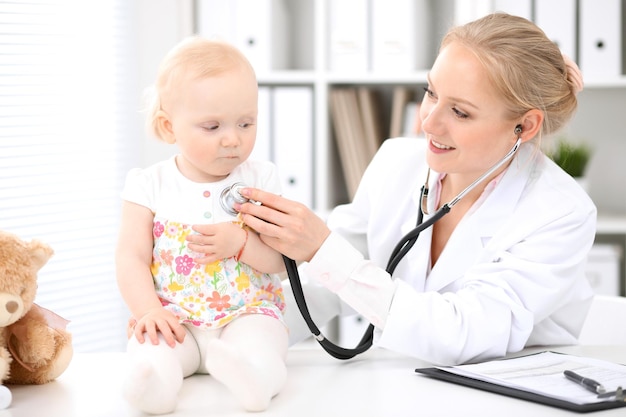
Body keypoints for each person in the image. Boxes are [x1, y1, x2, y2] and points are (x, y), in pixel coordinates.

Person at [229, 13, 596, 366]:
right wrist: (234, 333)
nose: (428, 122)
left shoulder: (561, 211)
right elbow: (322, 288)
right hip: (403, 386)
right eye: (431, 93)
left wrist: (322, 249)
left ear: (525, 125)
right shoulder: (396, 162)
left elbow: (463, 335)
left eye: (461, 112)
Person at [115, 37, 287, 414]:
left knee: (262, 342)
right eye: (212, 126)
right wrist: (149, 312)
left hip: (247, 313)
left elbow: (282, 262)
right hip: (177, 318)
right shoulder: (149, 185)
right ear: (168, 125)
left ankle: (255, 378)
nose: (233, 138)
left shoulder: (261, 179)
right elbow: (131, 256)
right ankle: (152, 387)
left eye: (246, 122)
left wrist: (242, 244)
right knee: (153, 348)